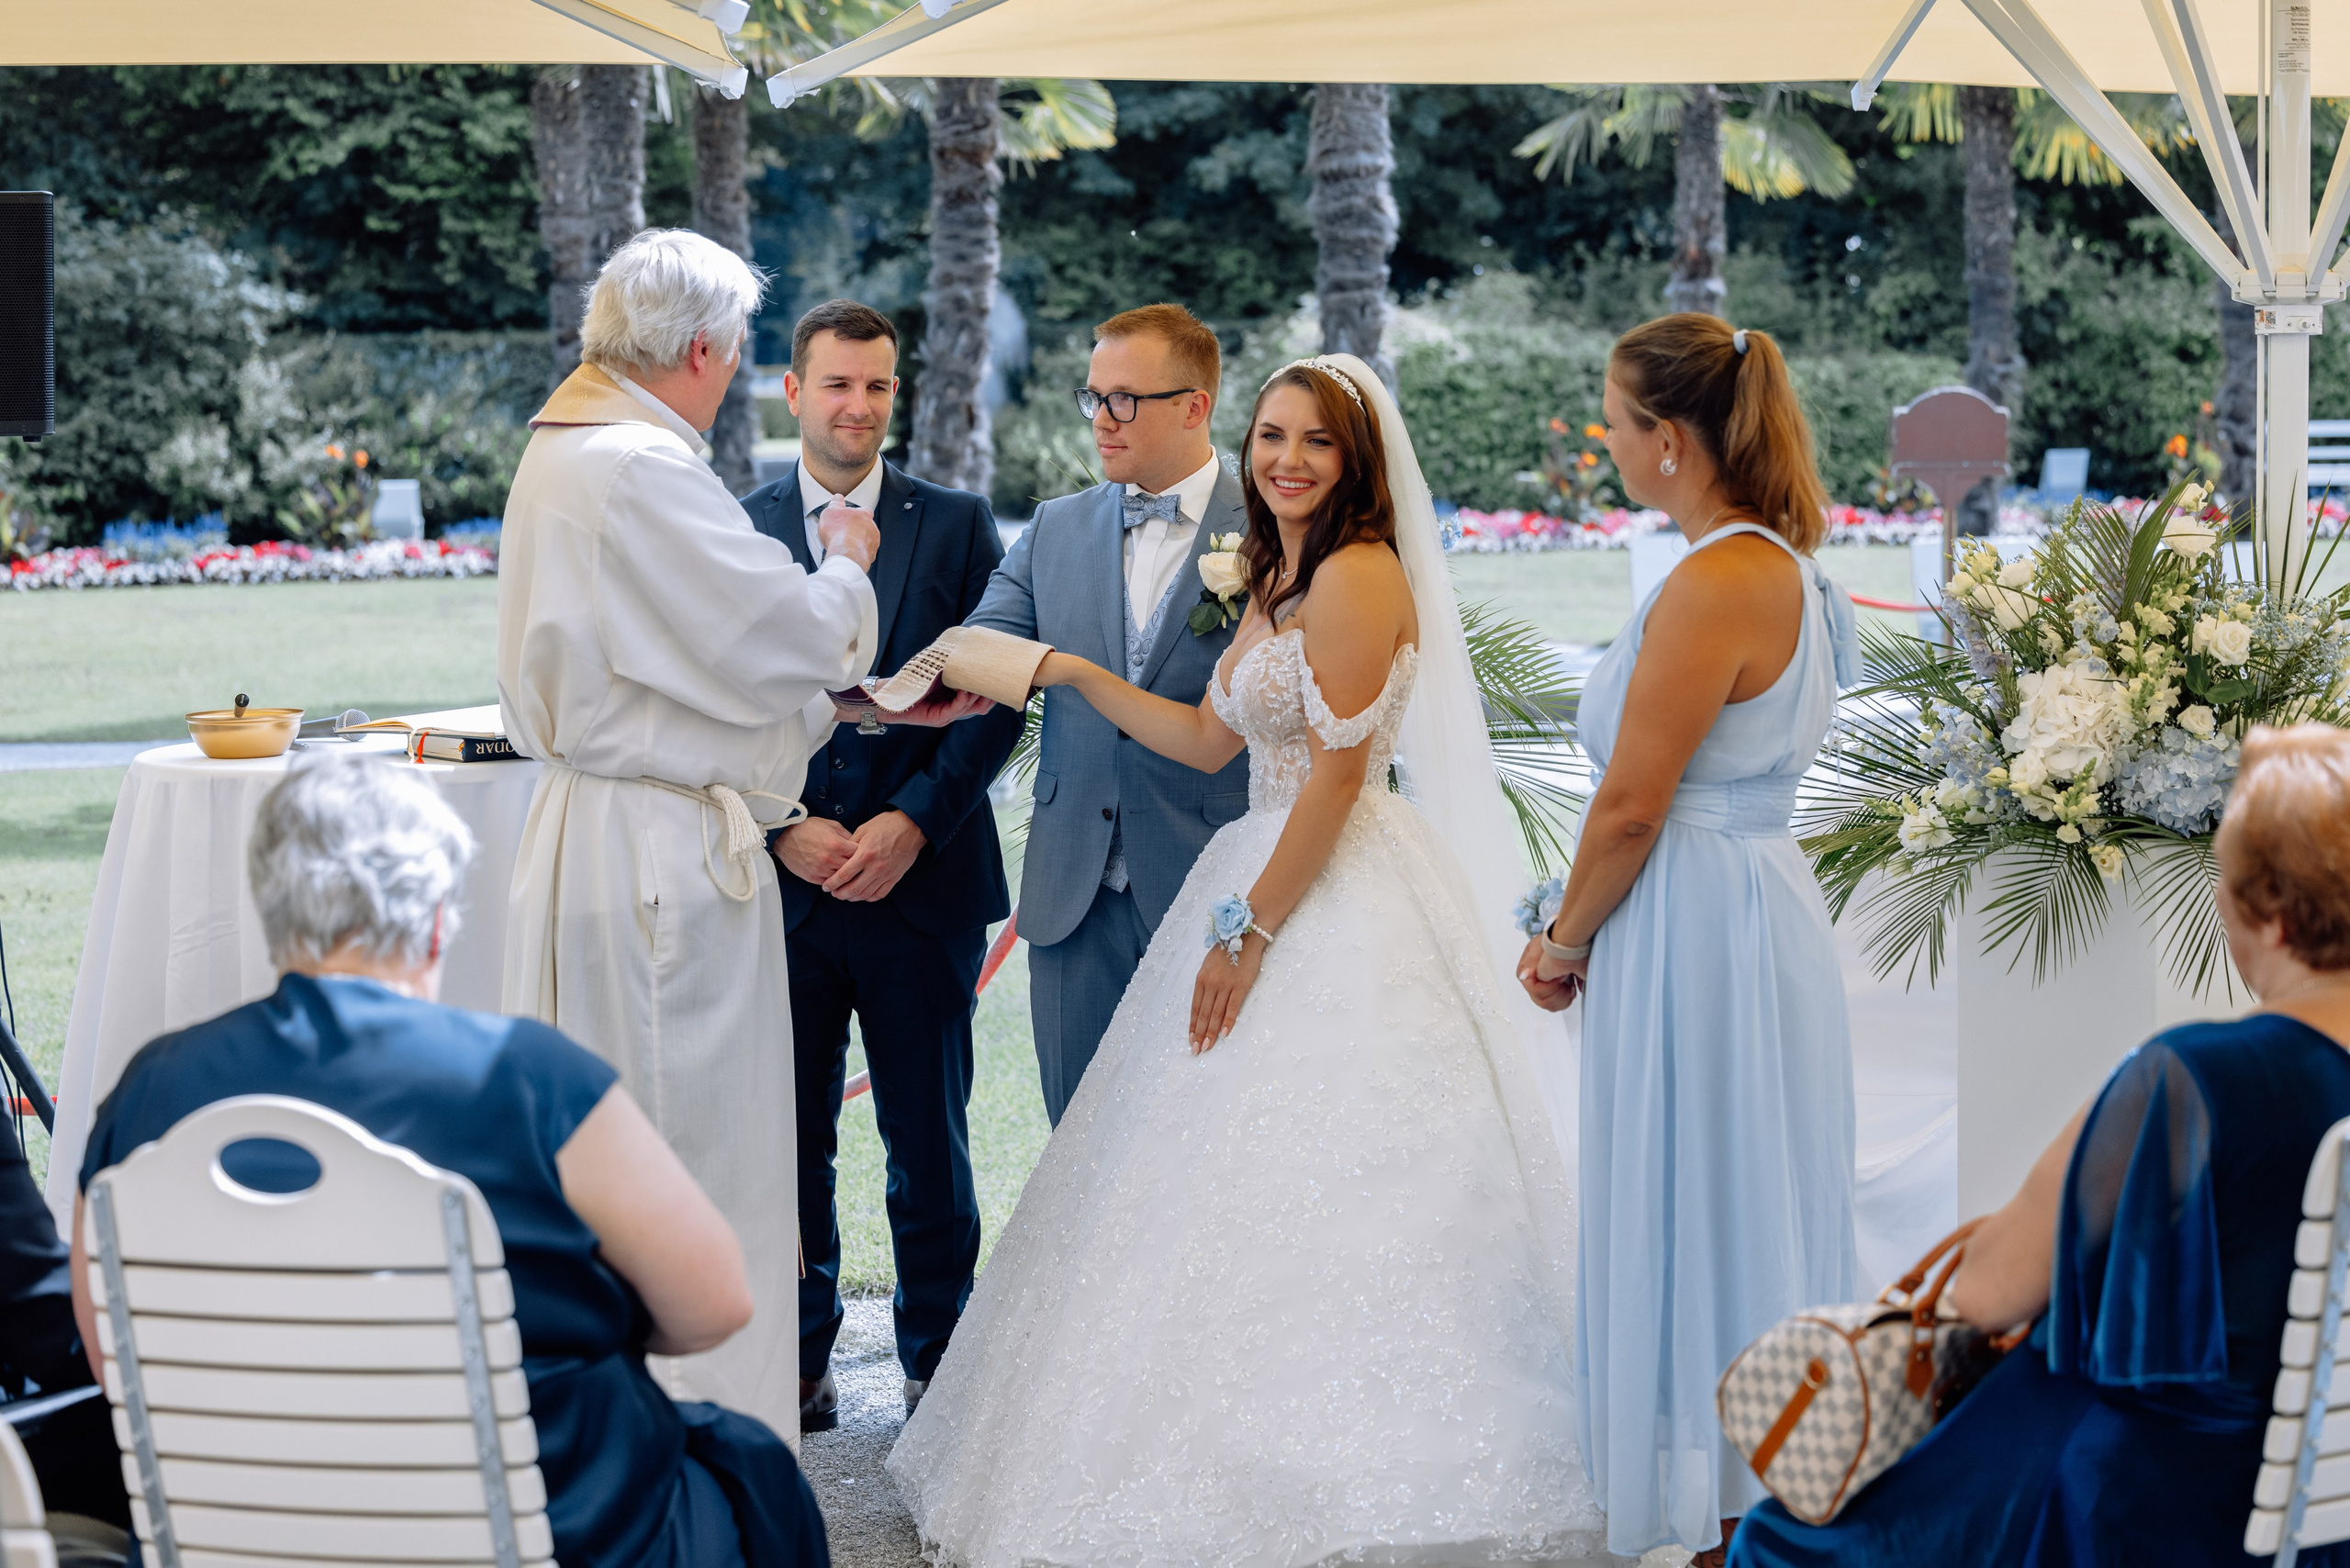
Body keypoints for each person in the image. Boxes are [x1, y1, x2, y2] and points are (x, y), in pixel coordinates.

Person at [887, 354, 1609, 1567]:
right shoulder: (1280, 576)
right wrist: (1062, 672)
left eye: (1314, 444)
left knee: (1359, 1169)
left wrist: (1253, 931)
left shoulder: (1363, 575)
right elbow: (1203, 734)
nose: (1283, 461)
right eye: (1271, 436)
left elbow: (1334, 779)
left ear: (1357, 461)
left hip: (1330, 886)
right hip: (1255, 857)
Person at [69, 755, 830, 1568]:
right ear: (437, 916)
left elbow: (112, 1345)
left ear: (272, 905)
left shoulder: (150, 1092)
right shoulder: (529, 1078)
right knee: (748, 1472)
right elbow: (713, 1304)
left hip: (252, 1529)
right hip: (545, 1523)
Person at [497, 230, 984, 1435]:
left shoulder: (566, 452)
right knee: (697, 1141)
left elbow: (684, 660)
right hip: (664, 845)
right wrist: (849, 561)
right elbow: (799, 638)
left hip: (611, 823)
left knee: (634, 1142)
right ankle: (710, 1424)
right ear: (708, 350)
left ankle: (647, 1416)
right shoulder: (641, 467)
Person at [1729, 722, 2350, 1567]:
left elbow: (1985, 1295)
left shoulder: (2198, 1078)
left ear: (2270, 914)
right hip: (2318, 1503)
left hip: (2147, 1501)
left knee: (1786, 1540)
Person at [1518, 314, 1862, 1565]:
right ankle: (1757, 1498)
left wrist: (1559, 942)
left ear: (1668, 440)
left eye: (1614, 423)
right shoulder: (1789, 565)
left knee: (1711, 1193)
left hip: (1699, 916)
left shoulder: (1721, 577)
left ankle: (1740, 1518)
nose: (1605, 444)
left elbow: (1631, 804)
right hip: (1742, 902)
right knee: (1745, 1191)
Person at [737, 299, 1024, 1433]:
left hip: (925, 886)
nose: (858, 406)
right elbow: (714, 700)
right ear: (795, 391)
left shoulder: (954, 525)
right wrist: (779, 823)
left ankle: (938, 1360)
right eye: (837, 384)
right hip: (784, 893)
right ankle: (796, 1359)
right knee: (787, 1140)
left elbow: (995, 697)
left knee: (930, 1140)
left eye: (878, 386)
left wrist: (912, 822)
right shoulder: (736, 526)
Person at [964, 302, 1250, 1124]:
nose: (1102, 420)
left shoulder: (1269, 527)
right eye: (1093, 397)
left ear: (1195, 406)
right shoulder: (1055, 526)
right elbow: (982, 643)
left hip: (1211, 888)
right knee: (1075, 1151)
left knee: (1208, 1149)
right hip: (1071, 898)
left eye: (1126, 399)